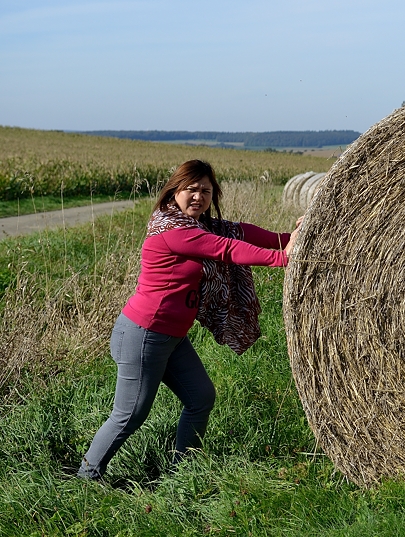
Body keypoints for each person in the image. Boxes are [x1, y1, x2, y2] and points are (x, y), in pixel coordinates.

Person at [78, 159, 301, 480]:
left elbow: (240, 232)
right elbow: (226, 249)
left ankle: (182, 472)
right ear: (175, 192)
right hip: (144, 335)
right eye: (191, 189)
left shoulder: (199, 226)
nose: (198, 196)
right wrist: (282, 258)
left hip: (170, 336)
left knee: (200, 397)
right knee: (129, 414)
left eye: (206, 191)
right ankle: (88, 476)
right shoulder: (172, 229)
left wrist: (287, 238)